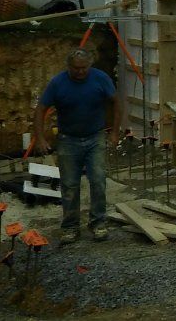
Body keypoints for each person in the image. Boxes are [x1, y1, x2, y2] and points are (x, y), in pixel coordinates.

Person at [33, 48, 122, 244]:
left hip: (95, 137)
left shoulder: (100, 79)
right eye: (76, 68)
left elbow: (116, 102)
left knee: (98, 181)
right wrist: (40, 138)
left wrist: (114, 132)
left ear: (90, 65)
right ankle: (70, 227)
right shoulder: (58, 83)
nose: (80, 72)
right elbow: (40, 109)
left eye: (84, 68)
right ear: (68, 67)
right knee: (70, 185)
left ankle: (98, 222)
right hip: (68, 140)